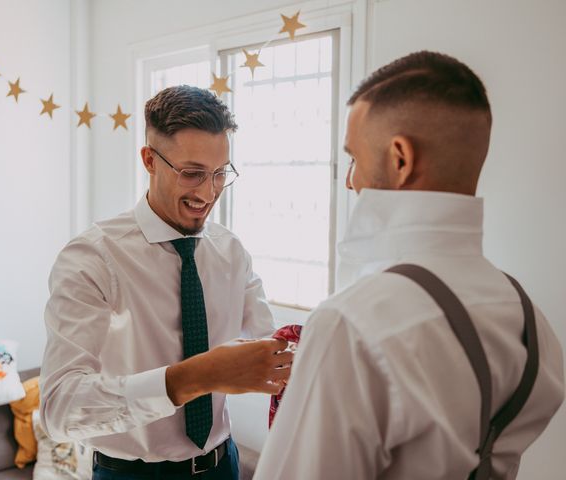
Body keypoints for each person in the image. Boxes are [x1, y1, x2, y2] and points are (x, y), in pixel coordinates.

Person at [254, 51, 564, 479]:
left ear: (400, 158)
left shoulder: (353, 323)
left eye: (354, 158)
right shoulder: (529, 319)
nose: (350, 180)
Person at [40, 85, 292, 480]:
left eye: (220, 174)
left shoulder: (231, 251)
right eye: (192, 173)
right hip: (130, 474)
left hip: (222, 466)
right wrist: (198, 377)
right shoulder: (91, 258)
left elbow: (273, 346)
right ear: (150, 160)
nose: (208, 193)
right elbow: (61, 409)